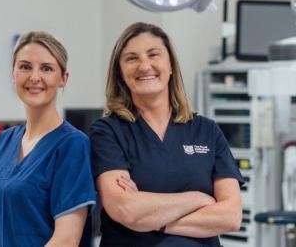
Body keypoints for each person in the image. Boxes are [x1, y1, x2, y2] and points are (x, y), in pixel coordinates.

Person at [89, 22, 244, 247]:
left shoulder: (207, 131)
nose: (144, 66)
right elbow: (126, 210)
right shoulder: (107, 132)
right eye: (132, 58)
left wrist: (153, 219)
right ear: (120, 73)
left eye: (154, 54)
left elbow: (230, 216)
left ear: (170, 65)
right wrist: (198, 200)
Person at [0, 31, 96, 247]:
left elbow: (66, 240)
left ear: (63, 79)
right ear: (13, 75)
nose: (34, 77)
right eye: (25, 67)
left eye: (46, 68)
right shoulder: (3, 141)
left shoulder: (72, 145)